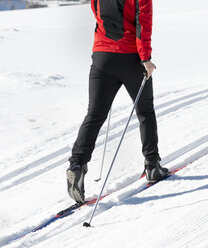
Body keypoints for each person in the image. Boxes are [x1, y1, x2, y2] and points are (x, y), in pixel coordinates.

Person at [66, 0, 168, 203]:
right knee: (145, 112)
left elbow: (98, 14)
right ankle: (152, 166)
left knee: (94, 114)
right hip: (131, 58)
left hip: (102, 57)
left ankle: (77, 164)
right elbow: (143, 23)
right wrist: (145, 58)